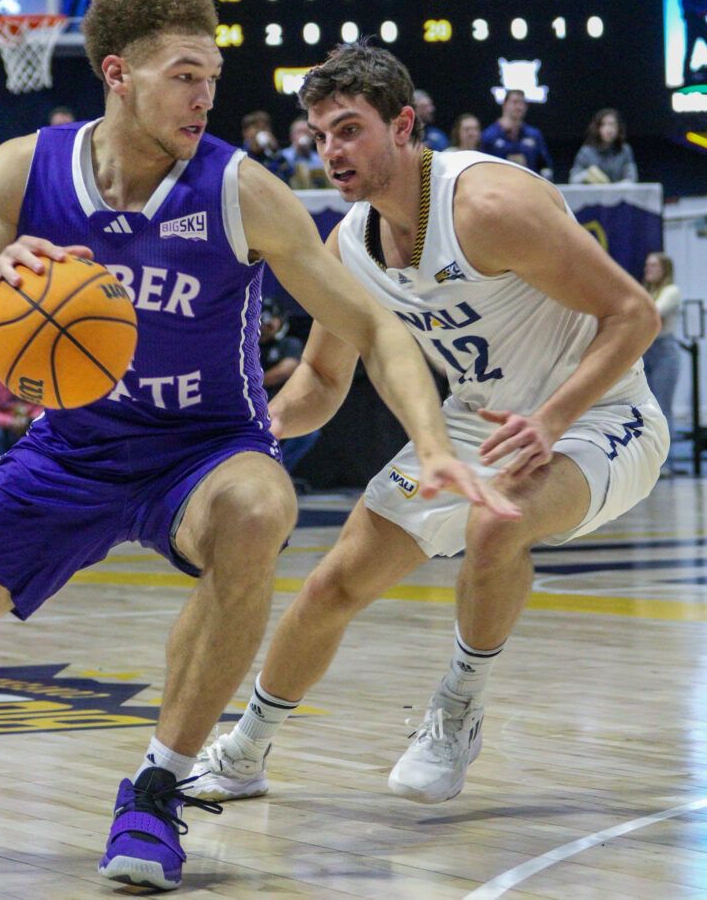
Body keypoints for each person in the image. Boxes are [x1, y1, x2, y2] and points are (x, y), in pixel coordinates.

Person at [0, 0, 513, 891]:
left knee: (257, 505)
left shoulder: (241, 189)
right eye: (183, 74)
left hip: (203, 451)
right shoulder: (24, 171)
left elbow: (375, 330)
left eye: (213, 74)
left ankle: (158, 789)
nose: (205, 95)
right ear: (118, 74)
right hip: (67, 452)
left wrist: (434, 447)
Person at [191, 41, 666, 810]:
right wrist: (251, 437)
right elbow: (319, 379)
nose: (330, 150)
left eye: (348, 129)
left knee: (492, 527)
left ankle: (456, 707)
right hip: (477, 426)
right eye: (318, 135)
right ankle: (243, 752)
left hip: (601, 416)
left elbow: (634, 315)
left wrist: (550, 419)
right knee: (334, 581)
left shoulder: (484, 206)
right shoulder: (348, 243)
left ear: (403, 125)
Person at [259, 297, 320, 474]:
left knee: (309, 432)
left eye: (269, 323)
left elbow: (286, 369)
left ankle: (276, 472)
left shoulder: (288, 344)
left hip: (280, 403)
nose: (263, 328)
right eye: (261, 323)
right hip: (252, 403)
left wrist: (253, 379)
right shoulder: (247, 344)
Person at [642, 252, 682, 476]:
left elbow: (651, 314)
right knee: (645, 409)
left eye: (653, 265)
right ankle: (648, 464)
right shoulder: (646, 291)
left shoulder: (671, 292)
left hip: (664, 352)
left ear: (664, 268)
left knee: (663, 409)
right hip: (644, 351)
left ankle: (666, 463)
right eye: (647, 265)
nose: (648, 269)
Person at [480, 89, 553, 180]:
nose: (519, 107)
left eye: (522, 103)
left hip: (528, 187)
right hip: (499, 188)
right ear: (504, 105)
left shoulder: (534, 135)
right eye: (515, 102)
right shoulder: (489, 136)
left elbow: (545, 166)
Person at [569, 108, 638, 184]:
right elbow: (573, 180)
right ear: (597, 128)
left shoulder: (624, 150)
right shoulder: (586, 152)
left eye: (612, 125)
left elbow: (632, 178)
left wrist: (614, 188)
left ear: (618, 128)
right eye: (603, 125)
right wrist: (587, 174)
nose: (608, 129)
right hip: (593, 194)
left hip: (618, 194)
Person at [240, 109, 293, 183]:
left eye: (265, 128)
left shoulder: (272, 157)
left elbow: (290, 174)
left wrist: (275, 151)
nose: (261, 131)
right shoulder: (240, 156)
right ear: (245, 132)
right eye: (257, 127)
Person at [281, 116, 327, 188]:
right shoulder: (282, 156)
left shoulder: (319, 159)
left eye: (306, 132)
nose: (303, 135)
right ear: (292, 136)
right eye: (299, 132)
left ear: (312, 137)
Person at [682, 0, 707, 85]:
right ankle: (686, 75)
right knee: (689, 49)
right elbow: (685, 2)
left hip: (700, 21)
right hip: (692, 22)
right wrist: (696, 11)